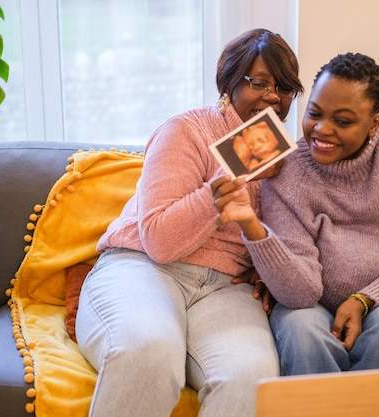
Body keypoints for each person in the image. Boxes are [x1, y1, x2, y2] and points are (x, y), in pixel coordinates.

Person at [75, 28, 303, 417]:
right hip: (143, 267)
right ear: (230, 83)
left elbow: (287, 241)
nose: (272, 97)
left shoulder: (289, 160)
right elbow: (160, 241)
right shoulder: (186, 129)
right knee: (148, 349)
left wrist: (269, 268)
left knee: (251, 376)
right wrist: (234, 174)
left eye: (284, 87)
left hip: (224, 290)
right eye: (260, 82)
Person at [212, 52, 379, 375]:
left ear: (374, 122)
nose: (322, 130)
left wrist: (364, 299)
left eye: (343, 121)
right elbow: (300, 292)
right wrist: (253, 227)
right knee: (302, 331)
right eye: (315, 113)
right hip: (312, 304)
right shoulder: (288, 169)